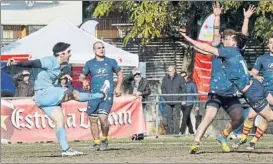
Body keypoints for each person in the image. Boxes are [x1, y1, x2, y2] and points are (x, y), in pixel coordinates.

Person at [180, 14, 273, 149]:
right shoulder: (235, 50)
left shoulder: (228, 51)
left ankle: (227, 137)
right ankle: (198, 140)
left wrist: (188, 38)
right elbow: (205, 49)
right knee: (263, 116)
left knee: (269, 117)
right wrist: (190, 42)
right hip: (254, 85)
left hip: (252, 91)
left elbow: (207, 48)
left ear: (233, 42)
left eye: (227, 39)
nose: (224, 40)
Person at [7, 42, 104, 156]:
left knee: (60, 121)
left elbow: (66, 68)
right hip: (45, 93)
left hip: (43, 97)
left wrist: (66, 74)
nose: (70, 54)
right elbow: (32, 63)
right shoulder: (49, 61)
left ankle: (65, 149)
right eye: (68, 52)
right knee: (74, 94)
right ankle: (100, 95)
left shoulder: (61, 65)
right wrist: (17, 63)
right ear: (61, 54)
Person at [79, 41, 123, 151]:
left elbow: (120, 74)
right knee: (93, 120)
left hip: (106, 96)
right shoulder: (89, 63)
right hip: (93, 95)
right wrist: (84, 81)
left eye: (103, 47)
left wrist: (118, 87)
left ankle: (104, 139)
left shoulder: (111, 62)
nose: (102, 49)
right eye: (99, 48)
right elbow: (81, 77)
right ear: (94, 50)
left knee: (103, 118)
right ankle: (96, 143)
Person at [233, 35, 273, 150]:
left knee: (267, 119)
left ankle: (253, 142)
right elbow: (252, 73)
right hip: (263, 91)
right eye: (271, 42)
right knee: (251, 116)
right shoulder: (262, 58)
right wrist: (256, 77)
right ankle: (243, 138)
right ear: (268, 45)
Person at [124, 67, 151, 140]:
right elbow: (125, 80)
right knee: (132, 118)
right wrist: (132, 74)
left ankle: (140, 135)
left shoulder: (145, 81)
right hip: (131, 103)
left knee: (140, 118)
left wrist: (141, 93)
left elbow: (148, 91)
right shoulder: (131, 81)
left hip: (141, 102)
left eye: (139, 73)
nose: (137, 75)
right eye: (136, 74)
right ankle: (133, 134)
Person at [161, 65, 186, 134]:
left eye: (171, 71)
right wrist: (165, 97)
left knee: (177, 116)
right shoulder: (165, 78)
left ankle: (177, 132)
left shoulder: (180, 78)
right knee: (169, 117)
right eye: (168, 71)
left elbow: (183, 89)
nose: (169, 72)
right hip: (168, 101)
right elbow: (162, 88)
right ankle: (171, 132)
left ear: (174, 70)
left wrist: (183, 99)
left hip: (177, 100)